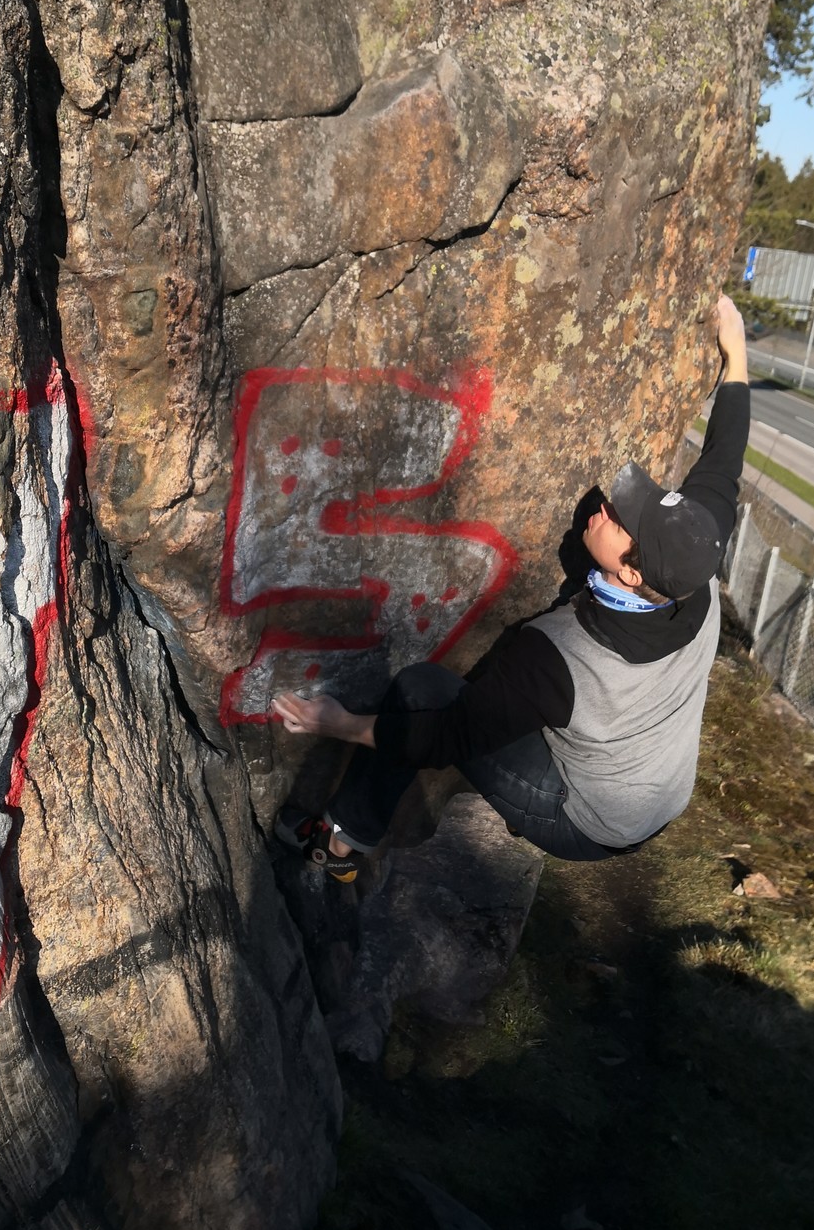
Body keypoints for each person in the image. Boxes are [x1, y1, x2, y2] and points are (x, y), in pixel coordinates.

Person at [272, 294, 750, 882]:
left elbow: (446, 737)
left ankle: (338, 846)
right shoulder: (694, 566)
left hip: (589, 819)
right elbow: (723, 465)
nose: (606, 508)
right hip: (659, 790)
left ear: (631, 573)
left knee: (422, 691)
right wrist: (737, 354)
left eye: (620, 520)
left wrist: (335, 723)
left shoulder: (562, 655)